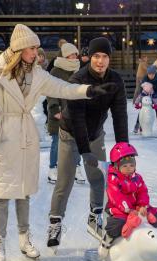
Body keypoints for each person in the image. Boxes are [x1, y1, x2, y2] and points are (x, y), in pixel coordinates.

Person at [0, 24, 115, 261]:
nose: (37, 53)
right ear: (20, 49)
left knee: (23, 190)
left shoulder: (36, 73)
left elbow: (62, 87)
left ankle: (24, 238)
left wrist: (89, 90)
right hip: (1, 134)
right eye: (33, 48)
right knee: (2, 192)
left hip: (24, 134)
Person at [47, 37, 128, 249]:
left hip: (96, 134)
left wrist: (123, 150)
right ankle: (55, 222)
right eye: (96, 56)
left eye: (105, 57)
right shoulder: (78, 80)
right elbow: (77, 119)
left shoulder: (115, 80)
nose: (100, 61)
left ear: (110, 59)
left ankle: (95, 216)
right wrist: (85, 152)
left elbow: (120, 115)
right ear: (89, 57)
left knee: (99, 178)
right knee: (65, 181)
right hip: (70, 133)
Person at [98, 142, 157, 258]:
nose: (129, 169)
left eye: (131, 166)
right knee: (117, 223)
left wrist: (142, 206)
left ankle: (155, 237)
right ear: (117, 166)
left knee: (156, 215)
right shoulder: (113, 178)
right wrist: (128, 210)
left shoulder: (137, 178)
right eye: (125, 166)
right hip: (119, 208)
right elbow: (116, 197)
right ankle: (107, 241)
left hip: (137, 208)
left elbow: (142, 192)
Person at [47, 42, 85, 184]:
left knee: (76, 142)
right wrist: (55, 109)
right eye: (71, 54)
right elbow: (50, 91)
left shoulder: (79, 70)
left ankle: (76, 167)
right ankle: (53, 168)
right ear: (64, 55)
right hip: (60, 113)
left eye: (76, 54)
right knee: (57, 141)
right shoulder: (55, 71)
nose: (74, 56)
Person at [133, 65, 157, 133]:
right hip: (146, 96)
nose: (151, 75)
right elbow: (142, 89)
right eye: (149, 74)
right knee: (142, 110)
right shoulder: (145, 78)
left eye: (152, 74)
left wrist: (155, 101)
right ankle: (138, 124)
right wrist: (139, 101)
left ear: (155, 73)